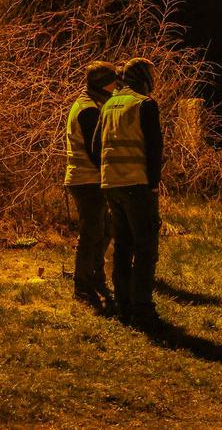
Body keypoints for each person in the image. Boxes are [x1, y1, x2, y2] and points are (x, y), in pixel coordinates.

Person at [100, 57, 164, 331]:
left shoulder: (109, 104)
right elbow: (154, 148)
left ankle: (122, 306)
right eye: (151, 75)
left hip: (111, 184)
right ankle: (143, 310)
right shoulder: (144, 104)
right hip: (137, 185)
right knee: (145, 249)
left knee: (123, 247)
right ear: (143, 78)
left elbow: (97, 145)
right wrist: (153, 183)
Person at [64, 60, 118, 310]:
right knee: (92, 232)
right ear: (105, 83)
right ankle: (83, 285)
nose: (117, 84)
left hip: (88, 178)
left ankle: (95, 277)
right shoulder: (89, 109)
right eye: (114, 80)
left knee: (104, 230)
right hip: (86, 179)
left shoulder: (90, 103)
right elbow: (95, 150)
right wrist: (111, 173)